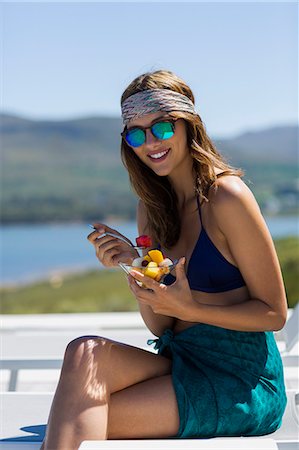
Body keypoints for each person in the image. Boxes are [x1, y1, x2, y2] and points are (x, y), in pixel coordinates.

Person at [41, 70, 287, 449]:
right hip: (182, 360)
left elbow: (274, 313)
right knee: (85, 352)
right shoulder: (151, 209)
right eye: (136, 133)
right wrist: (135, 270)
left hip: (242, 379)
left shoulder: (226, 197)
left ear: (189, 125)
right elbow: (162, 327)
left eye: (162, 127)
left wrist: (191, 307)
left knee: (77, 420)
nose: (150, 142)